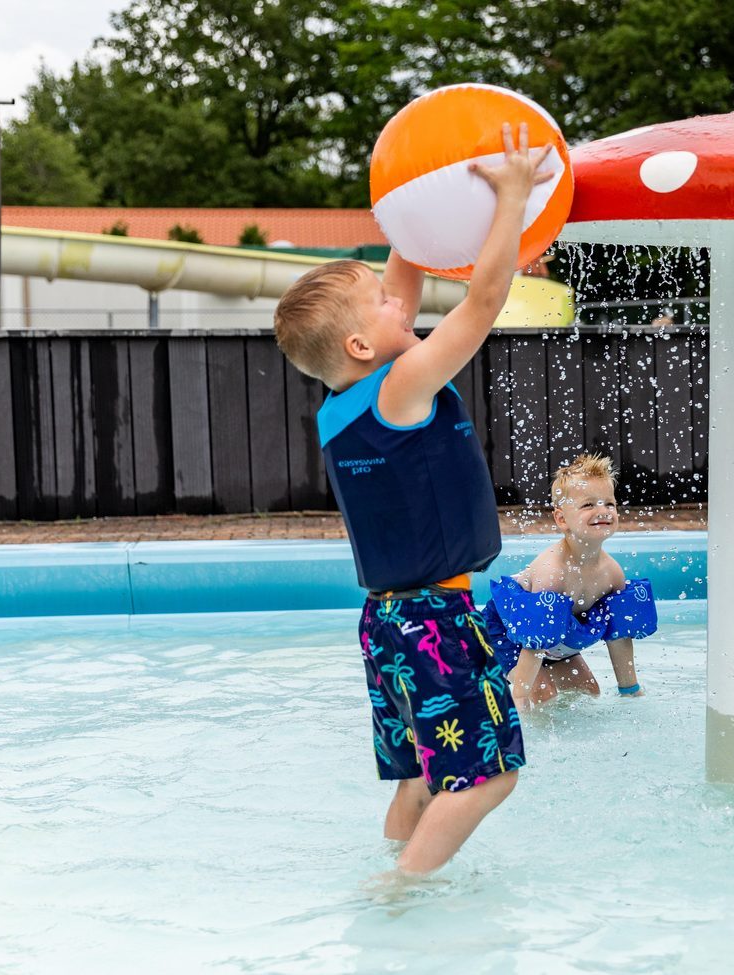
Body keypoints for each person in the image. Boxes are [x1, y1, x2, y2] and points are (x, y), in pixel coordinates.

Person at [272, 122, 552, 876]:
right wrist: (511, 201)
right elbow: (486, 298)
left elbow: (403, 278)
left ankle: (391, 866)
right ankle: (402, 892)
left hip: (388, 625)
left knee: (421, 777)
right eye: (385, 308)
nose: (404, 306)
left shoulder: (342, 404)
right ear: (363, 345)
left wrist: (419, 200)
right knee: (489, 774)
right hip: (437, 621)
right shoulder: (401, 388)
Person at [481, 454, 657, 710]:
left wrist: (630, 690)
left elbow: (619, 636)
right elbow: (535, 639)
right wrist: (520, 701)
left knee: (588, 693)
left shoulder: (612, 573)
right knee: (542, 697)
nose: (603, 511)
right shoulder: (553, 572)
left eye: (609, 503)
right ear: (562, 519)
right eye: (588, 505)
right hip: (510, 634)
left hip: (555, 643)